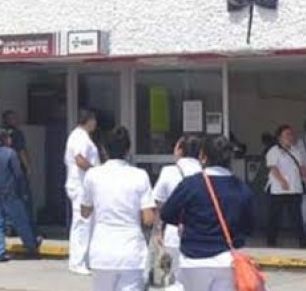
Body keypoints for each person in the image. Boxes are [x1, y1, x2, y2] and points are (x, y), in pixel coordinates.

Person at [161, 135, 255, 291]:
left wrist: (184, 222)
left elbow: (167, 213)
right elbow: (249, 227)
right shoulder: (241, 188)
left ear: (203, 157)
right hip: (227, 260)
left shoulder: (191, 184)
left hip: (193, 259)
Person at [81, 126, 157, 291]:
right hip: (132, 252)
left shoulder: (92, 175)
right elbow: (149, 219)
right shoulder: (140, 175)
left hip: (102, 252)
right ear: (128, 150)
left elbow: (85, 212)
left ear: (103, 150)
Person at [151, 135, 203, 290]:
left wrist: (158, 231)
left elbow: (158, 203)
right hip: (200, 233)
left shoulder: (168, 171)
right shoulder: (205, 172)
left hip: (174, 233)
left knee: (175, 279)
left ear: (180, 150)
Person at [0, 130, 41, 262]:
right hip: (11, 193)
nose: (10, 139)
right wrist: (23, 191)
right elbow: (18, 174)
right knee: (21, 220)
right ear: (4, 139)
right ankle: (31, 247)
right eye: (8, 137)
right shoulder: (11, 153)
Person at [64, 108, 100, 275]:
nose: (96, 123)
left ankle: (85, 259)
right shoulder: (79, 137)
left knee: (87, 224)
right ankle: (77, 262)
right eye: (94, 120)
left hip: (83, 186)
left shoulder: (80, 136)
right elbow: (80, 160)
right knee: (82, 224)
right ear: (89, 120)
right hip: (80, 186)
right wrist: (96, 172)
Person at [265, 124, 306, 248]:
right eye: (287, 134)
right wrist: (282, 181)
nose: (290, 137)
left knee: (297, 216)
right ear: (280, 137)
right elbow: (273, 168)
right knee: (275, 217)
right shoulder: (274, 151)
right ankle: (271, 241)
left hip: (294, 189)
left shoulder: (296, 151)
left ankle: (303, 241)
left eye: (291, 134)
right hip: (278, 190)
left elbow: (301, 166)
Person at [2, 110, 38, 239]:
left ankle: (9, 227)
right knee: (23, 199)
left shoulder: (0, 134)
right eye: (13, 118)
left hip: (4, 172)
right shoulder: (17, 134)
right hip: (17, 171)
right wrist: (28, 168)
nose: (16, 120)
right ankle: (26, 228)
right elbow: (21, 151)